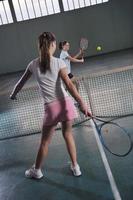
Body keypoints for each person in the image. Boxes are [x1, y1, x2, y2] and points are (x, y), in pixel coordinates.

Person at [10, 32, 90, 179]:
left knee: (45, 142)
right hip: (66, 104)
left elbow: (20, 84)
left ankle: (37, 170)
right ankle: (75, 166)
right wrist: (82, 103)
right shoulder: (59, 63)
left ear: (40, 46)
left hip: (51, 109)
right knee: (68, 135)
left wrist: (13, 95)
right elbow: (69, 86)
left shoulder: (32, 64)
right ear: (53, 45)